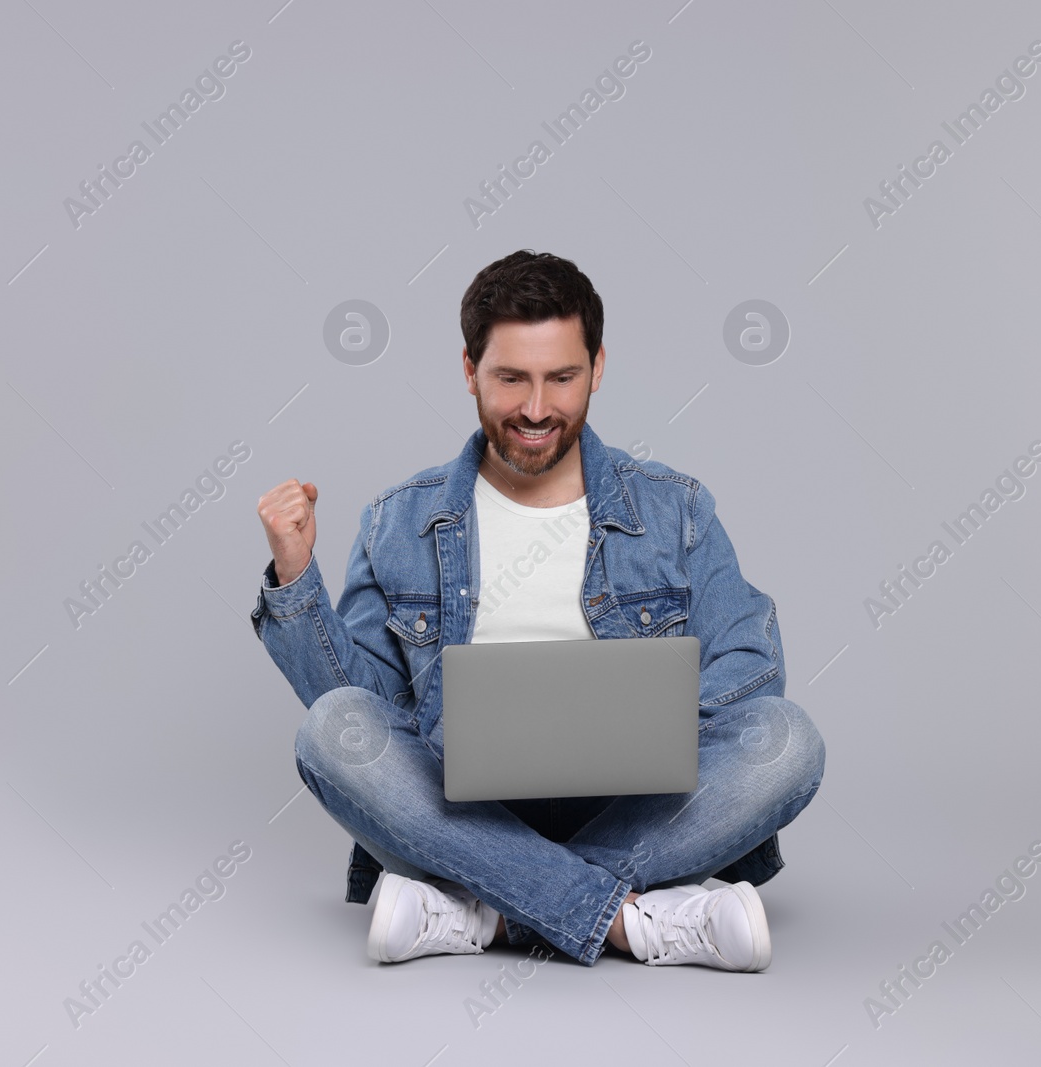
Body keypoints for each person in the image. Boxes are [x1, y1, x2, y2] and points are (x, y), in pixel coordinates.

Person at [252, 250, 825, 970]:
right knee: (328, 732)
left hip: (638, 808)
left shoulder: (674, 508)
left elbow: (750, 669)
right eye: (510, 378)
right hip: (461, 809)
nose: (535, 408)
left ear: (598, 365)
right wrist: (296, 572)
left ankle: (484, 908)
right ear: (469, 371)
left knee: (787, 740)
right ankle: (631, 918)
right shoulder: (397, 521)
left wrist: (655, 726)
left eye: (561, 377)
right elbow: (357, 705)